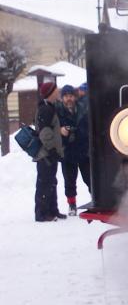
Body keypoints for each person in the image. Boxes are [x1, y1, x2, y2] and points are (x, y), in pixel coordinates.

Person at [56, 84, 90, 216]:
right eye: (66, 96)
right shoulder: (57, 111)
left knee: (89, 177)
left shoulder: (82, 108)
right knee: (70, 181)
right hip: (67, 151)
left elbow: (87, 126)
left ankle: (97, 200)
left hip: (82, 149)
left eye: (70, 96)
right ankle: (72, 205)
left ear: (74, 97)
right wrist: (60, 130)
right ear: (62, 98)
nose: (68, 99)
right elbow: (51, 127)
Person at [34, 81, 66, 222]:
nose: (58, 91)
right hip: (45, 154)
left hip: (49, 153)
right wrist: (51, 148)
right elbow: (45, 132)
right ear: (51, 93)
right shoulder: (45, 109)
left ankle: (53, 210)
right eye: (56, 90)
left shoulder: (49, 107)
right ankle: (42, 213)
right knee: (45, 182)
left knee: (52, 181)